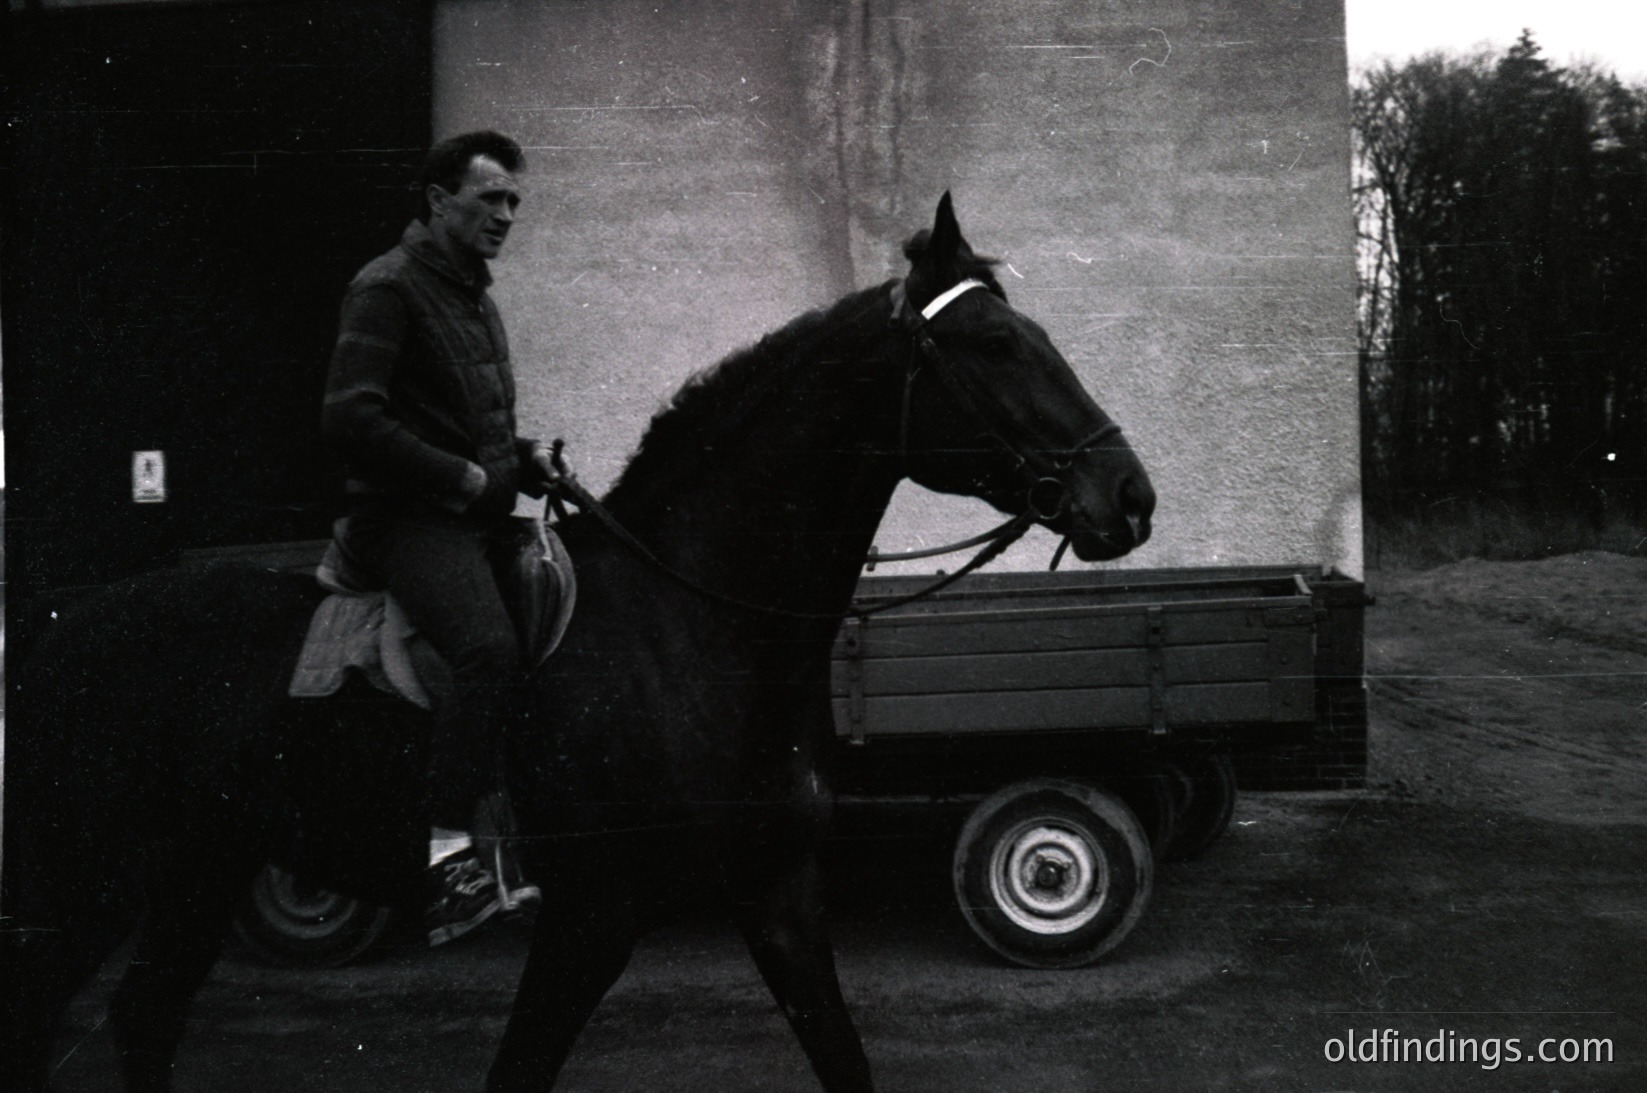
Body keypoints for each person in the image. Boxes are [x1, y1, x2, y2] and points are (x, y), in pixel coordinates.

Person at [322, 130, 559, 945]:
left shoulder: (471, 295)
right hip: (407, 521)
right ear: (436, 199)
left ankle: (516, 846)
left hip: (472, 512)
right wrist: (460, 478)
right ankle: (449, 860)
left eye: (513, 201)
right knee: (488, 653)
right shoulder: (386, 288)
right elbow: (350, 416)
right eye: (489, 197)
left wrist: (522, 461)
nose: (506, 213)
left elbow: (465, 418)